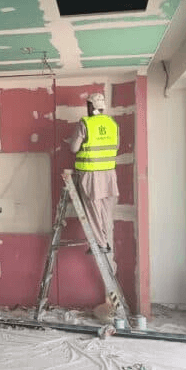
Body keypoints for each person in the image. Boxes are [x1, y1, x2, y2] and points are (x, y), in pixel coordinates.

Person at [68, 93, 119, 260]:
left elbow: (74, 148)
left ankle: (101, 243)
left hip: (91, 173)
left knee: (92, 210)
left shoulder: (85, 123)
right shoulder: (112, 123)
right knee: (105, 211)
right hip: (109, 174)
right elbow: (116, 146)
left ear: (91, 106)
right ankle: (106, 241)